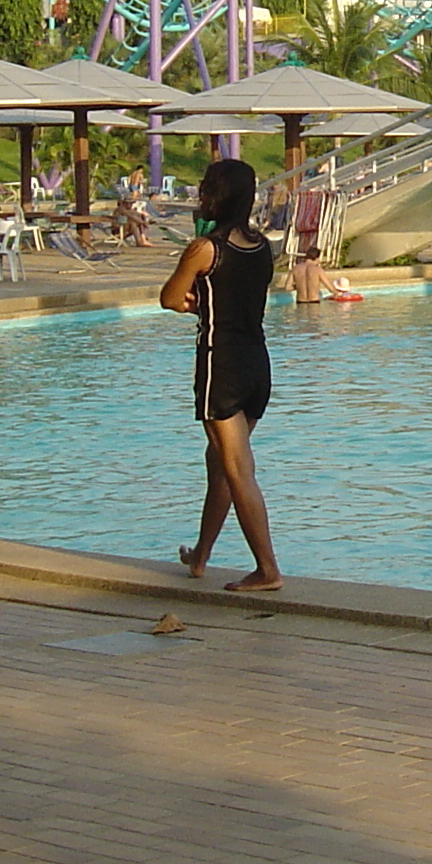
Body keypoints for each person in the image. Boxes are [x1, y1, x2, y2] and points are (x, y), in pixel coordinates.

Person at [160, 157, 282, 593]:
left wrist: (196, 303)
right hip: (257, 364)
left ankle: (267, 569)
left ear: (221, 195)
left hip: (221, 365)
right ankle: (201, 556)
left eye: (206, 189)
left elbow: (170, 298)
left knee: (237, 468)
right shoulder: (263, 246)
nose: (200, 196)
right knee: (220, 465)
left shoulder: (205, 249)